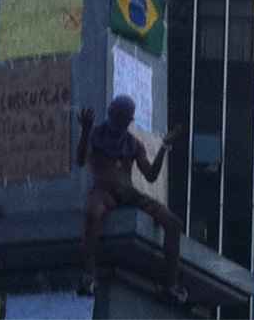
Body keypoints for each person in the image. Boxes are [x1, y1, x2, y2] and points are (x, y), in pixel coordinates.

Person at [76, 95, 187, 304]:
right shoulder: (96, 134)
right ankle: (88, 275)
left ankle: (170, 285)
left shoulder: (133, 144)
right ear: (110, 114)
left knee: (173, 223)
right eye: (117, 117)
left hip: (128, 194)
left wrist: (164, 147)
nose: (119, 123)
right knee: (93, 214)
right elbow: (81, 160)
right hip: (103, 191)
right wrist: (85, 131)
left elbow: (151, 175)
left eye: (124, 119)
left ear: (129, 121)